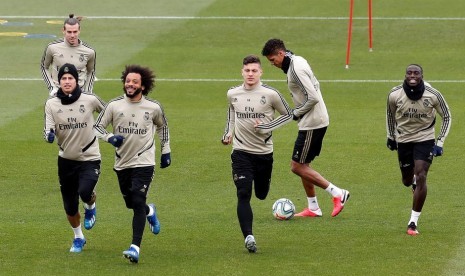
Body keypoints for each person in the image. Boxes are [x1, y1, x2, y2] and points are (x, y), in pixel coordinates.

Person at [261, 38, 350, 218]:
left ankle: (338, 193)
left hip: (313, 122)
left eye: (272, 60)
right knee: (304, 164)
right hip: (312, 120)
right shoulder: (295, 60)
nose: (272, 64)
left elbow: (312, 97)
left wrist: (296, 113)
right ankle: (313, 207)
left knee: (297, 166)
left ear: (281, 53)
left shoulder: (295, 69)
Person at [93, 64, 171, 263]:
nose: (130, 84)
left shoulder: (153, 107)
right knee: (132, 203)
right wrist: (110, 138)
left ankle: (135, 247)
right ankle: (149, 211)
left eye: (135, 82)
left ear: (143, 86)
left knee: (137, 198)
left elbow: (163, 127)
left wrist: (165, 151)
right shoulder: (114, 105)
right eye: (128, 81)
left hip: (144, 162)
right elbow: (97, 128)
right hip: (122, 163)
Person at [221, 55, 293, 253]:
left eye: (254, 70)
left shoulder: (271, 94)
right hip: (241, 152)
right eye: (247, 70)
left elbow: (289, 114)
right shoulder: (233, 93)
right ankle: (249, 237)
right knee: (243, 193)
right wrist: (228, 133)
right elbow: (232, 114)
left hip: (264, 154)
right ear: (242, 72)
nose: (250, 74)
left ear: (261, 72)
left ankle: (263, 188)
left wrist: (267, 126)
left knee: (261, 194)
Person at [44, 63, 105, 253]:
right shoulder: (51, 104)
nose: (67, 81)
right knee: (70, 207)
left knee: (85, 191)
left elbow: (108, 113)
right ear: (58, 81)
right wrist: (49, 135)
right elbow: (47, 128)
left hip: (89, 157)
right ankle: (78, 237)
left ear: (76, 81)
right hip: (66, 160)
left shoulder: (90, 100)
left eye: (70, 78)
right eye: (64, 79)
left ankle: (91, 204)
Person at [386, 64, 451, 236]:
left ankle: (413, 222)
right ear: (405, 75)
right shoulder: (394, 94)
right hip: (404, 139)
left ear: (422, 75)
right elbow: (390, 116)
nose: (412, 75)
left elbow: (447, 116)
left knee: (421, 174)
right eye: (409, 73)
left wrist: (440, 142)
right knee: (407, 180)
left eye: (416, 73)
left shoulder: (433, 95)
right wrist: (391, 137)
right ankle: (412, 181)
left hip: (425, 138)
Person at [41, 14, 96, 96]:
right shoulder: (52, 47)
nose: (72, 35)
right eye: (69, 32)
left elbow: (91, 71)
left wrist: (88, 91)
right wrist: (52, 88)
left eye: (75, 32)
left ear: (79, 31)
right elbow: (44, 67)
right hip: (58, 94)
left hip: (80, 94)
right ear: (63, 30)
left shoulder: (89, 51)